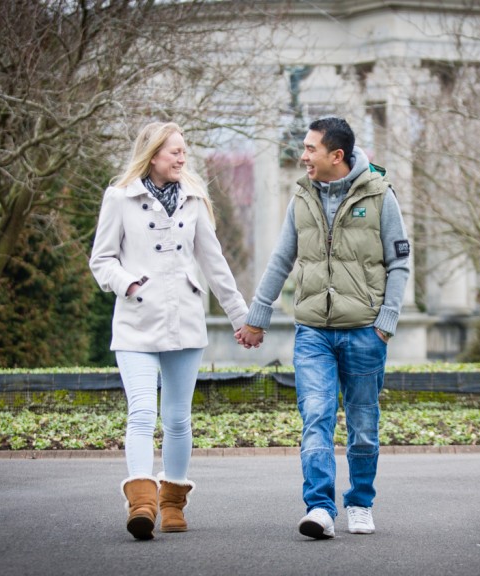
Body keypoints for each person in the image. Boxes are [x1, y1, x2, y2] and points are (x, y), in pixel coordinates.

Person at [236, 117, 410, 539]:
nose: (303, 156)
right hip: (313, 330)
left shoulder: (381, 195)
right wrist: (257, 317)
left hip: (365, 331)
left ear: (337, 155)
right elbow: (281, 259)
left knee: (364, 426)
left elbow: (400, 262)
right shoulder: (302, 197)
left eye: (311, 148)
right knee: (316, 416)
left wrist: (385, 324)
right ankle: (319, 507)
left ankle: (361, 502)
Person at [90, 121, 248, 540]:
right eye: (174, 151)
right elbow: (101, 260)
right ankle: (141, 502)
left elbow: (214, 264)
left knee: (177, 419)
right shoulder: (119, 197)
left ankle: (173, 502)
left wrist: (240, 316)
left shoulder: (195, 199)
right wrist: (128, 283)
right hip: (136, 322)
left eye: (183, 151)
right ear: (153, 154)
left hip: (184, 322)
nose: (182, 157)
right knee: (141, 412)